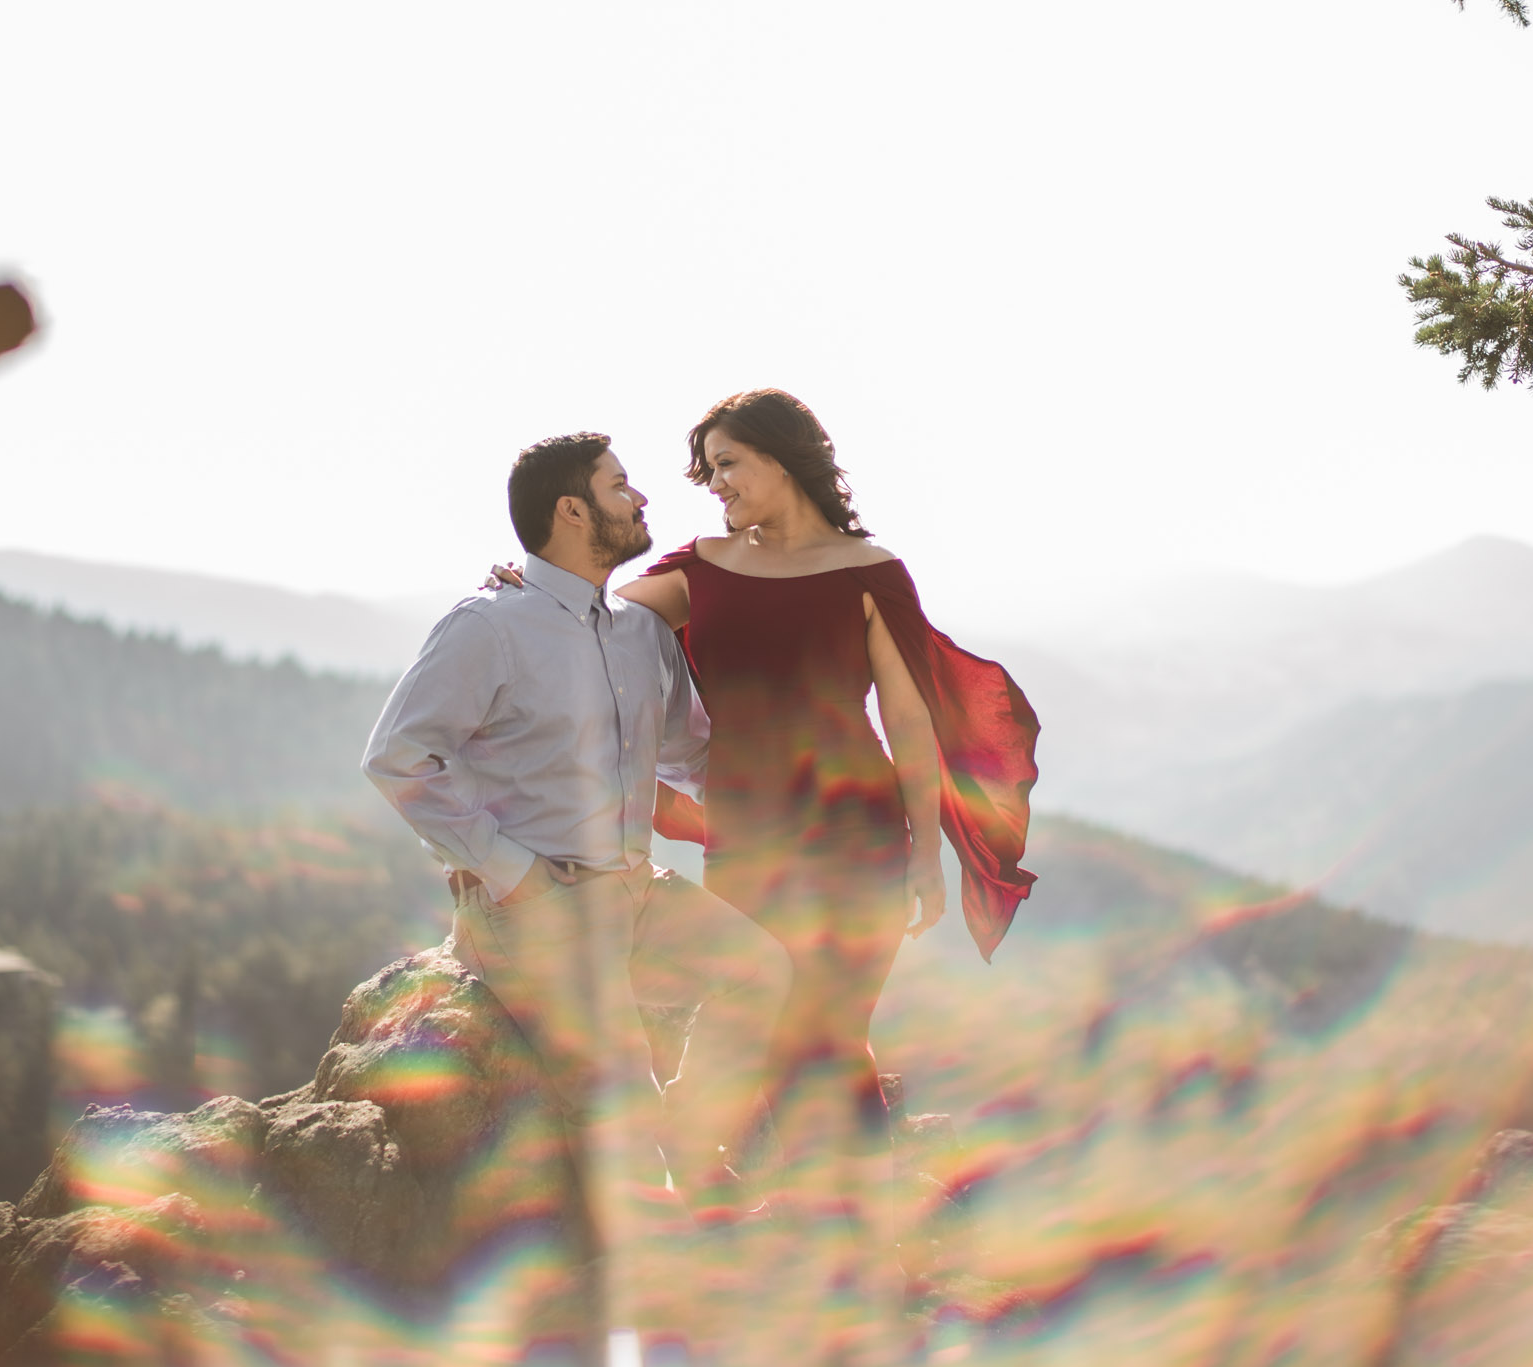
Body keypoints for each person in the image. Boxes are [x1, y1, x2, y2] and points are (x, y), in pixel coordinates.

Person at [496, 390, 1040, 1361]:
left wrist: (922, 851)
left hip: (859, 839)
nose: (711, 485)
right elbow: (594, 619)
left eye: (726, 463)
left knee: (829, 1032)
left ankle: (840, 1257)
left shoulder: (869, 571)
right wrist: (526, 586)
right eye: (703, 469)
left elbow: (908, 720)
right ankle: (782, 1240)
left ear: (782, 461)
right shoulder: (696, 571)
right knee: (774, 1028)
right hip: (749, 844)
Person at [361, 431, 793, 1363]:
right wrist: (508, 869)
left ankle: (683, 1147)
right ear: (571, 511)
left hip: (635, 889)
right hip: (537, 904)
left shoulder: (638, 632)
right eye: (620, 486)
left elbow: (696, 750)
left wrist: (820, 797)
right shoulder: (487, 625)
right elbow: (397, 756)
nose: (642, 499)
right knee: (616, 1087)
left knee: (759, 969)